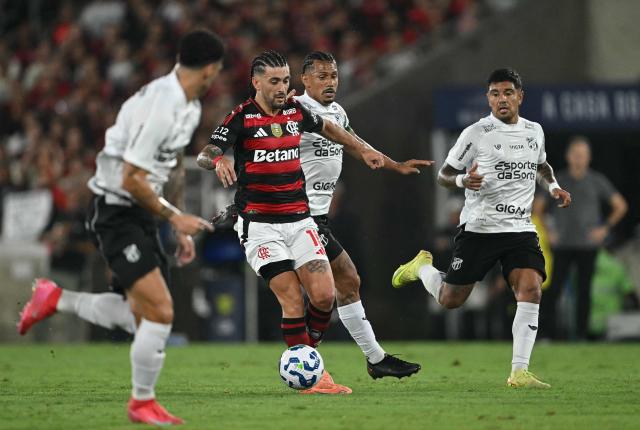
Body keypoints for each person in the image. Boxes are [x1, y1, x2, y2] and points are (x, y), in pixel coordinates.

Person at [17, 29, 225, 425]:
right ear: (211, 69)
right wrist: (173, 217)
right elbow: (131, 177)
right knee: (160, 311)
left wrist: (176, 223)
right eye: (217, 72)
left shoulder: (189, 106)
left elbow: (172, 165)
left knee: (140, 317)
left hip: (143, 211)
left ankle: (55, 299)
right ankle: (141, 402)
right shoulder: (162, 104)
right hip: (115, 209)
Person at [196, 50, 386, 394]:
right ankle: (314, 377)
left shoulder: (296, 111)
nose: (282, 87)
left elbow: (331, 129)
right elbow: (205, 153)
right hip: (260, 226)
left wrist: (363, 150)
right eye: (274, 81)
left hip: (301, 222)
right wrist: (218, 161)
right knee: (292, 298)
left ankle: (306, 362)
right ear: (256, 83)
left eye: (285, 80)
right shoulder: (241, 117)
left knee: (326, 296)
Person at [391, 68, 571, 388]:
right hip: (480, 229)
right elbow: (444, 175)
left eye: (507, 93)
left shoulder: (534, 131)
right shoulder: (476, 133)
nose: (501, 99)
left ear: (520, 96)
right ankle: (422, 268)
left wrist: (554, 187)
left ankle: (519, 372)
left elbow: (540, 164)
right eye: (494, 94)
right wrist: (464, 180)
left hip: (519, 229)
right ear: (488, 98)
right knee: (451, 299)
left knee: (530, 289)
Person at [294, 51, 428, 378]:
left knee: (344, 284)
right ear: (305, 79)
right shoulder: (293, 110)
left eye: (334, 76)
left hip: (318, 217)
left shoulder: (337, 111)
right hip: (297, 215)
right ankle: (307, 358)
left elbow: (355, 143)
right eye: (322, 76)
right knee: (333, 286)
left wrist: (395, 164)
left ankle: (367, 358)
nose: (330, 82)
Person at [539, 137, 628, 339]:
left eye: (583, 155)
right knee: (554, 289)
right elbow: (538, 208)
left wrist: (604, 229)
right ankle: (548, 335)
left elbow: (621, 206)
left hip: (587, 246)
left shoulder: (597, 181)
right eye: (576, 155)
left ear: (589, 158)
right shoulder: (557, 180)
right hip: (561, 245)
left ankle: (580, 335)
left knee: (584, 291)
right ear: (568, 156)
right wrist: (548, 231)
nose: (579, 159)